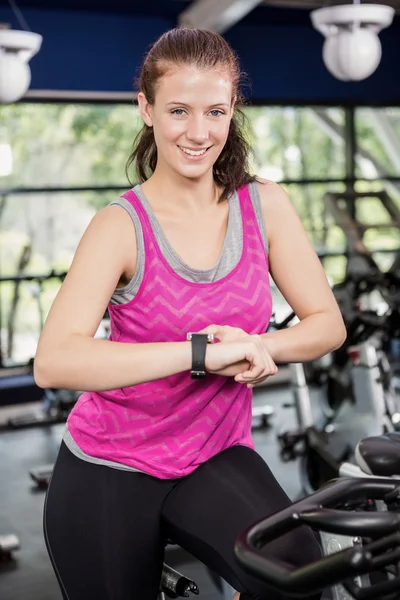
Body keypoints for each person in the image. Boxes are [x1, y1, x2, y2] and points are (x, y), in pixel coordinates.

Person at [34, 27, 347, 600]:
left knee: (301, 577)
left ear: (233, 112)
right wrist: (202, 352)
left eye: (215, 111)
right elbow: (54, 361)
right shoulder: (121, 226)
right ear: (146, 109)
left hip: (213, 453)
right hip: (112, 464)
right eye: (178, 110)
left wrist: (258, 346)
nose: (199, 133)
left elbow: (327, 323)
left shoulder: (265, 207)